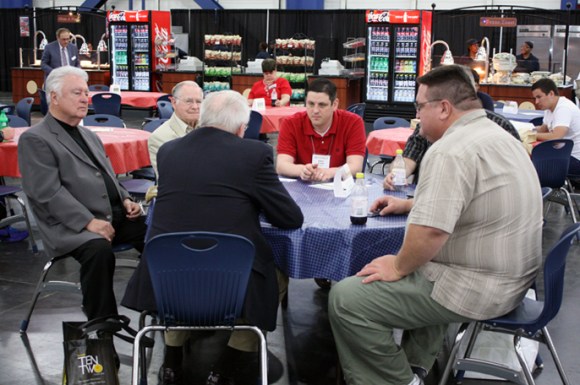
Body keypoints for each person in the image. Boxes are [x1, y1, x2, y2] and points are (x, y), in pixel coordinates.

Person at [328, 64, 543, 385]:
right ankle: (417, 364)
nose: (417, 116)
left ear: (444, 108)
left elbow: (430, 233)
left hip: (480, 288)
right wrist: (411, 207)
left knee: (347, 298)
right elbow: (475, 202)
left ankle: (397, 380)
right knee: (423, 267)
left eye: (419, 107)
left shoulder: (449, 151)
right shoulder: (500, 136)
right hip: (516, 282)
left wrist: (398, 266)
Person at [122, 90, 304, 385]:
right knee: (277, 275)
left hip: (165, 279)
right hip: (232, 282)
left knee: (183, 271)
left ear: (203, 118)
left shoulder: (169, 152)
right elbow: (290, 218)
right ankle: (226, 365)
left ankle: (171, 360)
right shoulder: (254, 154)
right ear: (241, 128)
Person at [17, 66, 147, 321]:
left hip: (111, 216)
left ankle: (154, 303)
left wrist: (126, 198)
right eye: (76, 93)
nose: (84, 98)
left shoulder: (89, 134)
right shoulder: (36, 139)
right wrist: (89, 222)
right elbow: (47, 194)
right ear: (53, 97)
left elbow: (108, 177)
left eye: (86, 93)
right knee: (98, 251)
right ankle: (102, 321)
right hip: (70, 227)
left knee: (157, 233)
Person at [276, 77, 366, 181]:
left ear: (335, 104)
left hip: (340, 188)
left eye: (322, 105)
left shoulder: (353, 122)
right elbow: (281, 165)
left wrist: (329, 172)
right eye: (310, 104)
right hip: (302, 187)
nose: (315, 110)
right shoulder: (291, 123)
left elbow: (356, 167)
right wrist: (302, 170)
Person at [148, 80, 203, 176]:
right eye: (188, 101)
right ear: (173, 102)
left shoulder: (211, 128)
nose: (195, 107)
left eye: (199, 102)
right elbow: (170, 178)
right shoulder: (160, 138)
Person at [532, 77, 580, 174]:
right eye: (535, 98)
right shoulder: (549, 108)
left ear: (551, 94)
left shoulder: (564, 108)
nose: (536, 102)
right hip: (562, 154)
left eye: (539, 97)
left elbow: (557, 136)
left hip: (575, 159)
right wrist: (527, 129)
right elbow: (543, 129)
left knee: (532, 166)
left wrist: (529, 135)